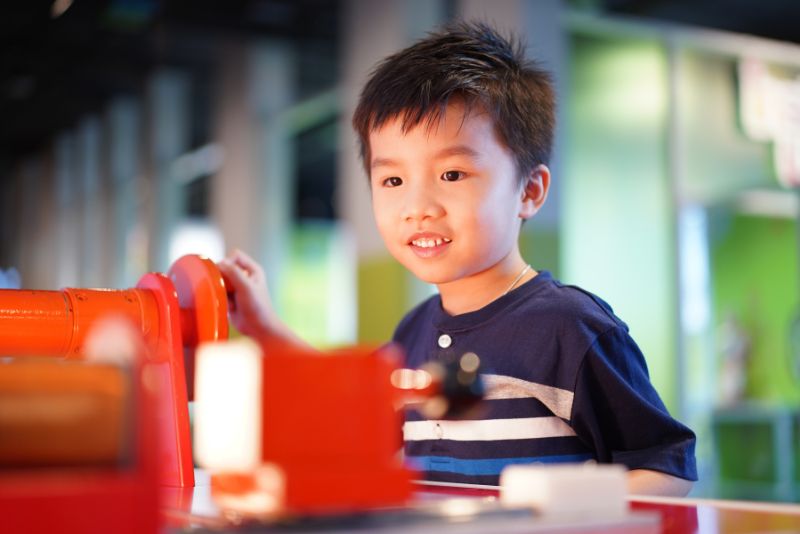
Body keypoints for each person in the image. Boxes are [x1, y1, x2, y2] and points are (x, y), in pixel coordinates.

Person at [218, 21, 697, 496]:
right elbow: (351, 410)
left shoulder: (571, 329)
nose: (418, 207)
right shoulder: (412, 331)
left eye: (451, 174)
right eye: (392, 181)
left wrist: (558, 512)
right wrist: (264, 328)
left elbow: (667, 470)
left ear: (529, 191)